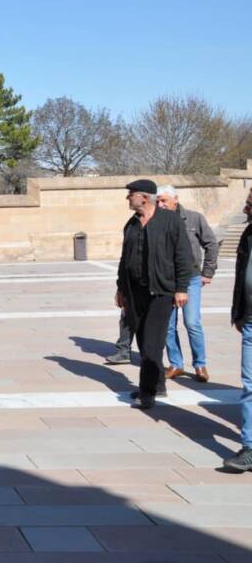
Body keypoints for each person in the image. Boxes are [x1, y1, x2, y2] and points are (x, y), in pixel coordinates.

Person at [116, 179, 193, 410]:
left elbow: (183, 255)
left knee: (152, 343)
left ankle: (147, 393)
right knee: (143, 341)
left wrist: (181, 288)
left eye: (131, 194)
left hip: (161, 291)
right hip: (135, 292)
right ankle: (158, 385)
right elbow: (124, 259)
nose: (127, 198)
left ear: (144, 197)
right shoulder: (131, 224)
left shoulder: (170, 220)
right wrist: (121, 288)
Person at [157, 185, 220, 382]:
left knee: (192, 322)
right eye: (157, 201)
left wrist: (207, 272)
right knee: (168, 326)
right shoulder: (156, 220)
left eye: (164, 200)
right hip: (167, 281)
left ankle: (200, 364)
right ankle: (176, 364)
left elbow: (211, 244)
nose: (160, 205)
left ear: (175, 199)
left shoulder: (194, 218)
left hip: (191, 278)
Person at [223, 188, 252, 472]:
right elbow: (241, 276)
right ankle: (250, 448)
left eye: (250, 204)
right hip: (251, 321)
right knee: (250, 386)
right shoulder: (247, 234)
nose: (245, 209)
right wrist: (238, 312)